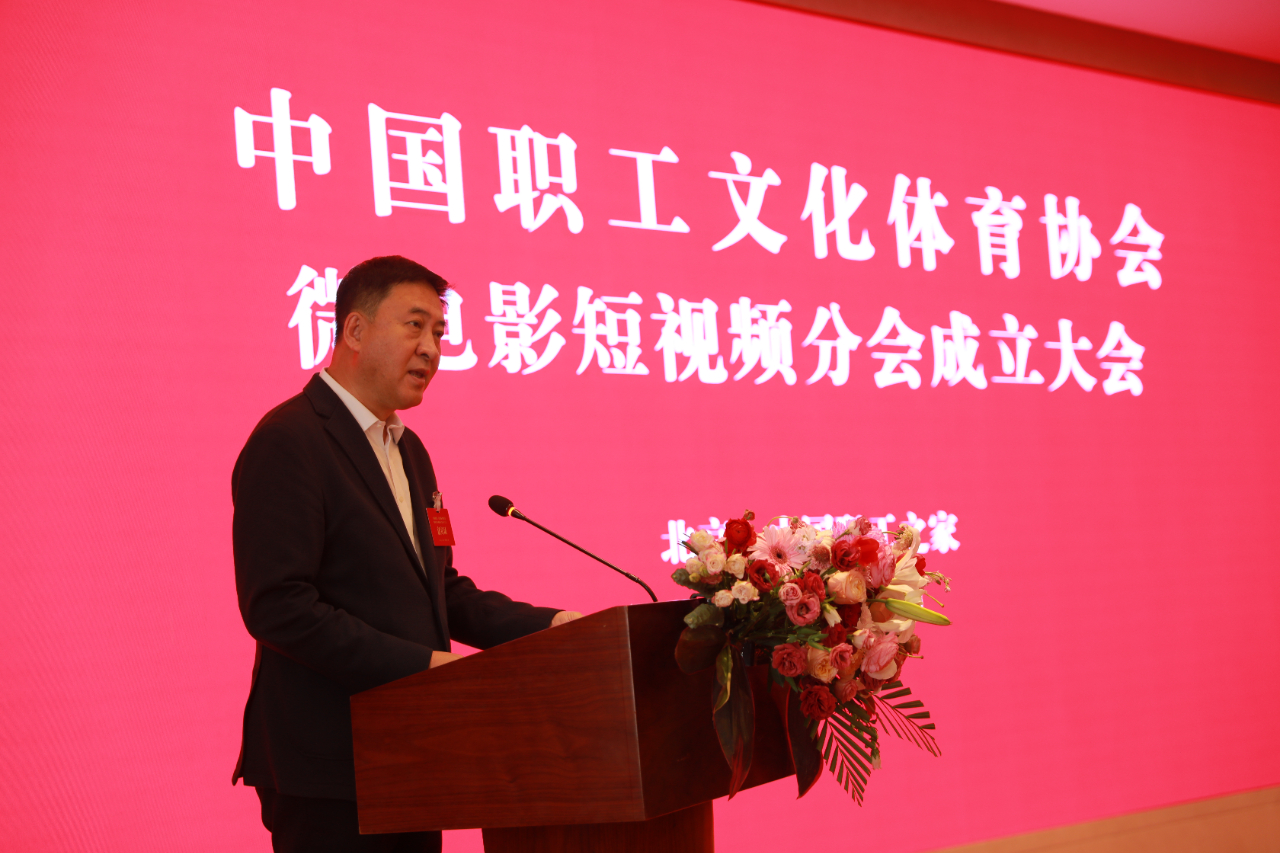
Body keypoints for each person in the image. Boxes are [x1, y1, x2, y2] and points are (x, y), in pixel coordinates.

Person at [230, 255, 581, 852]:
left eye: (439, 333)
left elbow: (441, 591)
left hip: (413, 753)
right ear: (355, 330)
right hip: (329, 767)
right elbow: (279, 607)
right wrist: (424, 668)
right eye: (415, 325)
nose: (431, 349)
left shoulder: (409, 450)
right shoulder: (290, 439)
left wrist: (553, 629)